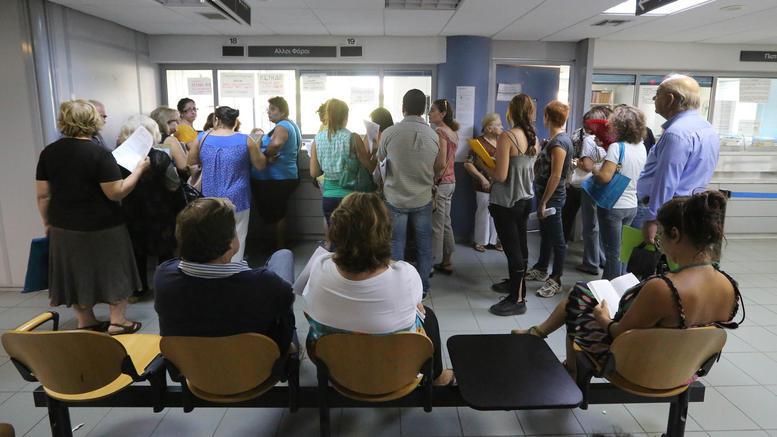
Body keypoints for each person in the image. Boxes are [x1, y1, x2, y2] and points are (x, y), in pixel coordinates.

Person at [513, 191, 743, 376]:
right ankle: (552, 349)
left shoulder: (663, 288)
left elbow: (620, 333)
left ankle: (571, 370)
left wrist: (603, 318)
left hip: (639, 367)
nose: (660, 242)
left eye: (661, 235)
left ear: (675, 234)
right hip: (684, 369)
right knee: (581, 293)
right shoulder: (729, 287)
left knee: (578, 298)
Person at [303, 192, 454, 386]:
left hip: (338, 370)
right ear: (385, 233)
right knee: (428, 316)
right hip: (394, 373)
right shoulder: (406, 275)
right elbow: (416, 306)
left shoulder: (319, 265)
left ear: (337, 230)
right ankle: (437, 377)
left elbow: (307, 294)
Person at [35, 100, 149, 334]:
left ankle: (86, 321)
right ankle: (118, 321)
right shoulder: (99, 153)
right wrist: (139, 170)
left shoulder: (49, 152)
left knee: (77, 273)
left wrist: (47, 222)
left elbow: (43, 195)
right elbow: (116, 191)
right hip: (104, 226)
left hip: (64, 226)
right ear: (92, 121)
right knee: (114, 270)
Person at [154, 198, 296, 353]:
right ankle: (290, 350)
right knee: (283, 256)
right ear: (230, 244)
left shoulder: (163, 276)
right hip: (256, 363)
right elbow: (287, 299)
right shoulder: (262, 283)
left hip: (190, 362)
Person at [633, 74, 720, 245]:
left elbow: (666, 180)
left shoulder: (676, 133)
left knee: (650, 257)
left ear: (670, 99)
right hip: (689, 208)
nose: (654, 99)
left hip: (667, 212)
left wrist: (653, 219)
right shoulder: (708, 128)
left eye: (657, 94)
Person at [378, 89, 443, 296]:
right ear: (424, 109)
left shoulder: (389, 133)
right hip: (422, 198)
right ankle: (422, 288)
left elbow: (380, 161)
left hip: (394, 197)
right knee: (424, 246)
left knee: (396, 243)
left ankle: (398, 289)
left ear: (403, 108)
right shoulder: (434, 135)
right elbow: (440, 166)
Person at [187, 106, 266, 262]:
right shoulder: (246, 140)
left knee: (212, 236)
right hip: (238, 197)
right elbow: (260, 165)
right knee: (238, 235)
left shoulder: (201, 138)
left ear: (216, 120)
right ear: (235, 121)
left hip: (209, 198)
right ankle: (234, 269)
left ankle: (213, 268)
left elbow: (190, 163)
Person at [116, 115, 182, 299]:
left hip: (131, 211)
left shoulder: (118, 158)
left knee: (136, 252)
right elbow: (174, 184)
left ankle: (138, 290)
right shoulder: (160, 157)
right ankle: (166, 288)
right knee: (165, 251)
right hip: (161, 211)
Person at [486, 95, 539, 316]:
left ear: (511, 111)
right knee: (521, 247)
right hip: (525, 199)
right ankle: (517, 286)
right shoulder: (534, 138)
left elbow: (501, 175)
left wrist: (487, 166)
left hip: (506, 201)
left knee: (512, 250)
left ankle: (517, 300)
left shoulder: (507, 136)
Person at [592, 106, 648, 280]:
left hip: (613, 205)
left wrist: (594, 169)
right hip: (631, 205)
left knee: (612, 253)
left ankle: (610, 289)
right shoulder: (641, 147)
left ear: (620, 126)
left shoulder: (616, 147)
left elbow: (605, 177)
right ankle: (620, 284)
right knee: (623, 251)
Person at [526, 101, 573, 298]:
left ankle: (556, 278)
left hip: (552, 198)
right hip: (546, 195)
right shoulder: (554, 140)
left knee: (557, 239)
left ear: (547, 117)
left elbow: (556, 175)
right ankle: (541, 268)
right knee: (545, 234)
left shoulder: (559, 143)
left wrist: (544, 201)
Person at [309, 99, 375, 225]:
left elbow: (314, 172)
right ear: (345, 116)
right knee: (353, 234)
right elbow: (370, 168)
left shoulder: (317, 139)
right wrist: (376, 154)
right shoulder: (353, 138)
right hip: (351, 198)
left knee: (335, 234)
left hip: (328, 197)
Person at [250, 96, 302, 249]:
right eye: (269, 109)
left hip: (277, 178)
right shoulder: (290, 124)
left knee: (276, 213)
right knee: (278, 212)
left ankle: (278, 246)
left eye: (273, 109)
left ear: (283, 112)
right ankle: (277, 245)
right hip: (283, 176)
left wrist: (263, 157)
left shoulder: (282, 125)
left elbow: (276, 144)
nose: (269, 112)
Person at [567, 106, 609, 276]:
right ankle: (603, 259)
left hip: (590, 185)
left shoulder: (589, 140)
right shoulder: (610, 140)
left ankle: (591, 262)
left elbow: (586, 165)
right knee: (601, 225)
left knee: (591, 226)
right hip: (606, 185)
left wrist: (576, 162)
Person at [464, 113, 503, 253]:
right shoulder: (478, 143)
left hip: (500, 184)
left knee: (499, 213)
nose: (501, 127)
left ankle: (495, 240)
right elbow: (468, 164)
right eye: (498, 125)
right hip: (484, 185)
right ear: (488, 128)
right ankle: (480, 241)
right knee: (484, 212)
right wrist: (482, 178)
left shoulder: (502, 142)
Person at [429, 99, 459, 275]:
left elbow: (440, 163)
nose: (429, 113)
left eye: (433, 110)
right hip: (451, 182)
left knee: (437, 226)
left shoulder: (440, 132)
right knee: (446, 223)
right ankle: (447, 261)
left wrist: (431, 176)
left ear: (443, 114)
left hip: (441, 183)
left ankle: (430, 264)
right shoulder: (453, 132)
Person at [150, 106, 188, 174]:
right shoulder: (170, 140)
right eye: (176, 121)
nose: (179, 123)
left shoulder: (150, 138)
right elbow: (183, 166)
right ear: (166, 122)